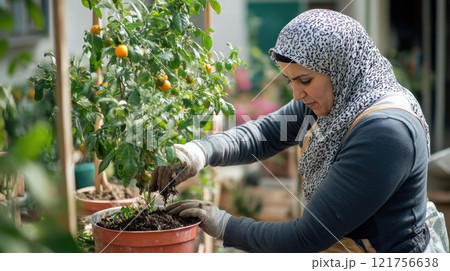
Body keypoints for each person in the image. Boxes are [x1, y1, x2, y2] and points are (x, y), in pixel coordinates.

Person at [150, 9, 431, 253]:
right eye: (289, 81)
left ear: (339, 68)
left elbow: (308, 236)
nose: (297, 94)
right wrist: (199, 152)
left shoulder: (386, 132)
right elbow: (263, 135)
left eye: (305, 80)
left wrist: (225, 225)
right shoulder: (338, 96)